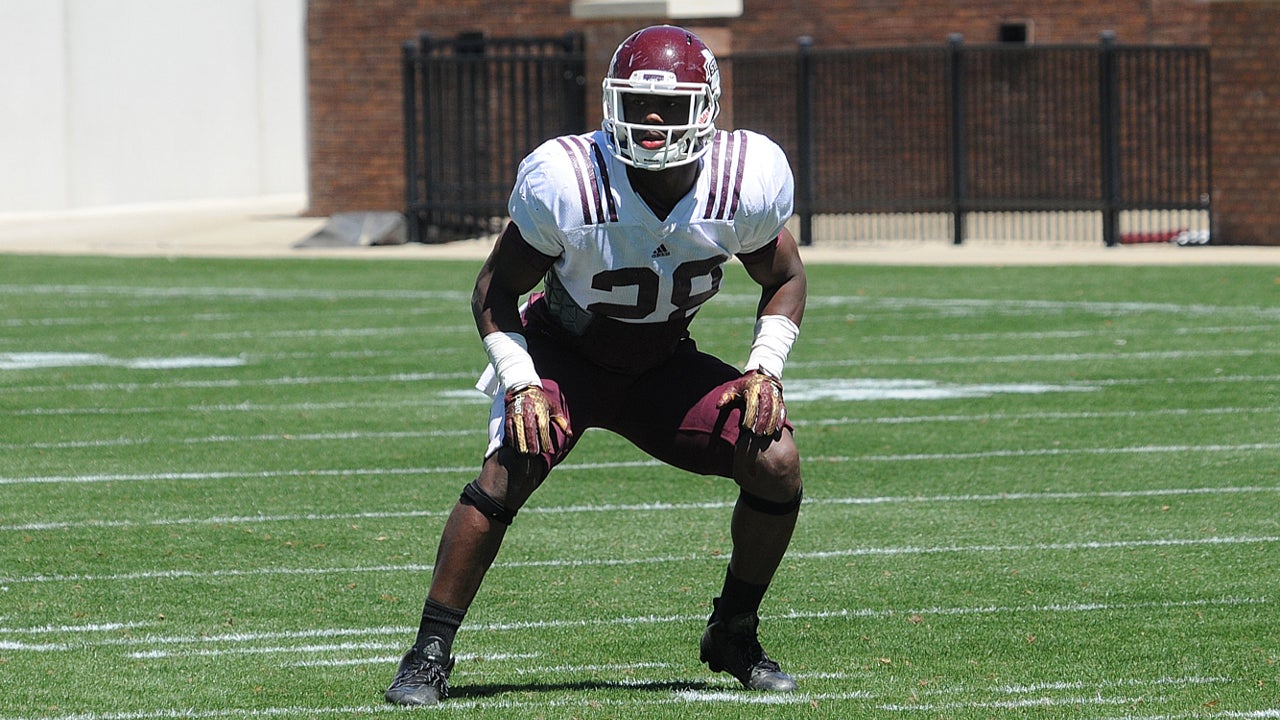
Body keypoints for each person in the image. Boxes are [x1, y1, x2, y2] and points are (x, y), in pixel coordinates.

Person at [385, 24, 807, 706]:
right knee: (507, 469)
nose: (649, 120)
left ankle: (733, 630)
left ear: (706, 108)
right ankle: (428, 652)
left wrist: (766, 365)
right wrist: (521, 381)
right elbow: (494, 291)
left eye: (668, 107)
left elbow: (785, 276)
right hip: (564, 354)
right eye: (636, 103)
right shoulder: (569, 179)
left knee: (776, 459)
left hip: (660, 362)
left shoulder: (743, 180)